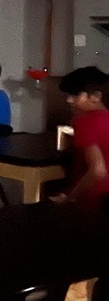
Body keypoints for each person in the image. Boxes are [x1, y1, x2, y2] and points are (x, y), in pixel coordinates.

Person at [49, 66, 109, 212]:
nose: (69, 100)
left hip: (94, 201)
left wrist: (70, 197)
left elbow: (97, 170)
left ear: (96, 96)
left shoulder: (84, 122)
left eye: (75, 95)